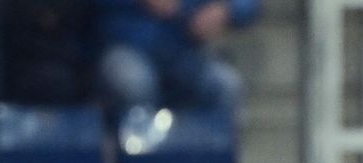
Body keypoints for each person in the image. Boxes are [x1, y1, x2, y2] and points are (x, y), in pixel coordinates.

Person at [98, 0, 257, 116]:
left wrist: (228, 10)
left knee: (226, 85)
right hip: (126, 46)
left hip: (185, 51)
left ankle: (207, 159)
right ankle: (142, 160)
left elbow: (248, 4)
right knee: (133, 82)